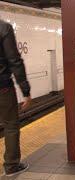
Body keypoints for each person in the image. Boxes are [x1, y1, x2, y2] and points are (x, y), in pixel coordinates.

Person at [0, 19, 32, 176]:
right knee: (11, 125)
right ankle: (11, 165)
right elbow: (14, 61)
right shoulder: (3, 27)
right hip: (2, 87)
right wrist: (25, 91)